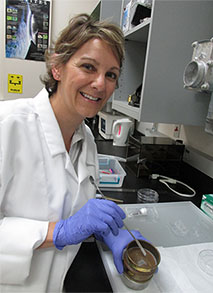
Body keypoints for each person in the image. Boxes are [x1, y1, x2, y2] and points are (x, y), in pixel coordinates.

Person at [0, 14, 146, 292]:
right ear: (57, 67)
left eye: (111, 74)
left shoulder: (86, 140)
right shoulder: (7, 126)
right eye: (88, 67)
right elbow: (67, 226)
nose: (100, 84)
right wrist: (61, 232)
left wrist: (107, 231)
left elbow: (79, 210)